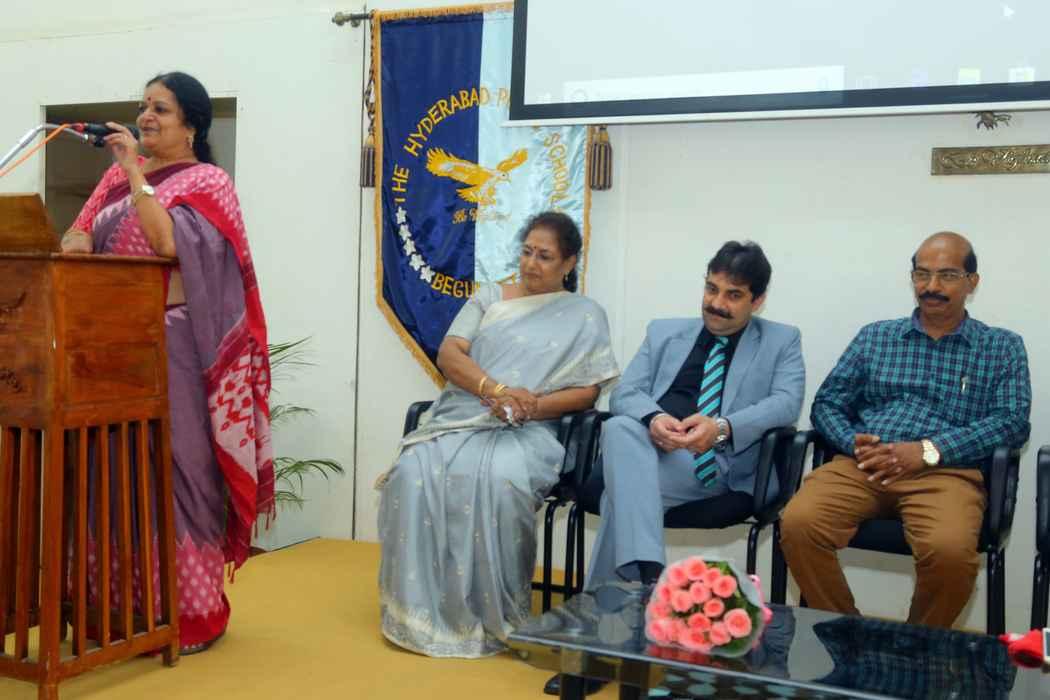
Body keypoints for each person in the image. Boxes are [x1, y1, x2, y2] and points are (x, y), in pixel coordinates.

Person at [60, 71, 272, 654]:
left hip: (175, 346)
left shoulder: (208, 181)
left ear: (192, 125)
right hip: (111, 346)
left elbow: (168, 245)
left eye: (161, 108)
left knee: (174, 472)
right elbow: (77, 235)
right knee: (110, 471)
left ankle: (189, 617)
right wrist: (77, 242)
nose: (146, 116)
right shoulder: (112, 179)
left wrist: (134, 172)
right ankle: (113, 613)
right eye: (143, 106)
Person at [378, 211, 620, 658]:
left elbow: (588, 390)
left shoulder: (585, 315)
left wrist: (530, 407)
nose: (531, 263)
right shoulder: (489, 297)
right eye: (526, 252)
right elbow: (451, 354)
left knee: (499, 480)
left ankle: (495, 612)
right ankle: (416, 612)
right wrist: (497, 391)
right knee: (411, 473)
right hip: (464, 416)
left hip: (532, 429)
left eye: (544, 256)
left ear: (569, 263)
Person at [780, 232, 1031, 629]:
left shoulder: (1001, 347)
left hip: (945, 473)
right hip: (863, 465)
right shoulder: (875, 337)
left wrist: (929, 450)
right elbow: (827, 403)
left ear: (972, 282)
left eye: (947, 275)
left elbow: (1012, 421)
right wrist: (853, 443)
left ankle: (914, 648)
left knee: (949, 553)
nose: (932, 286)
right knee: (798, 524)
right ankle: (846, 636)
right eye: (922, 274)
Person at [585, 240, 805, 590]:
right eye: (711, 289)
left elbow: (786, 403)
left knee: (620, 492)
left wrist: (722, 428)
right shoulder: (664, 332)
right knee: (620, 427)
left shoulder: (781, 341)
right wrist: (654, 419)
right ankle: (647, 577)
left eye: (733, 295)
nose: (716, 303)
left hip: (717, 463)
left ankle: (613, 601)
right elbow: (625, 392)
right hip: (649, 451)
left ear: (757, 301)